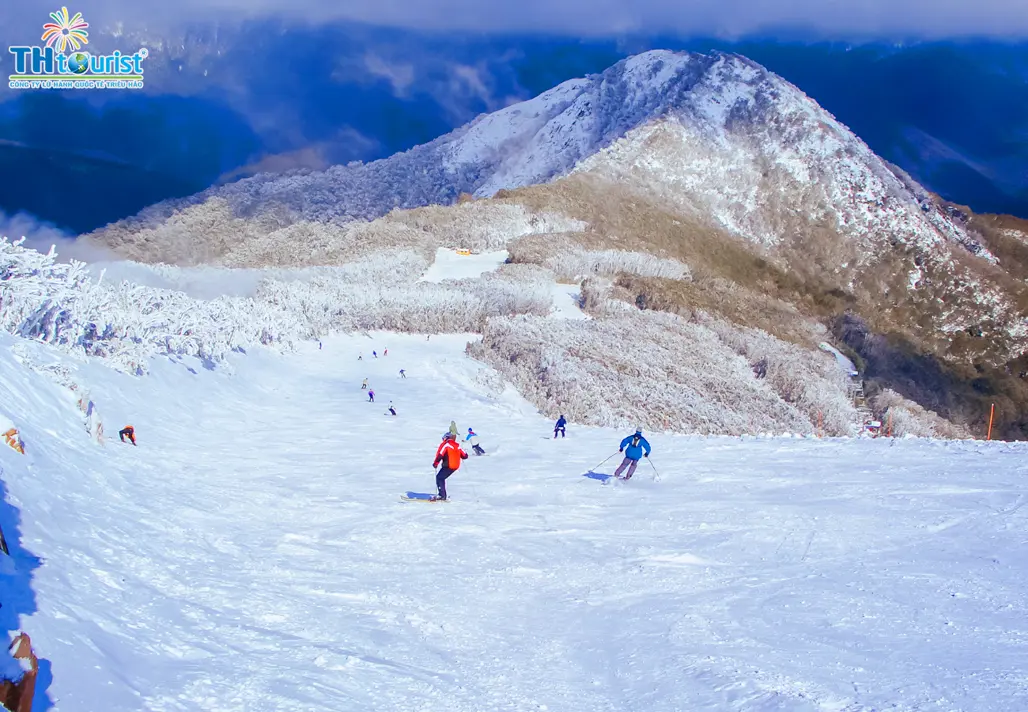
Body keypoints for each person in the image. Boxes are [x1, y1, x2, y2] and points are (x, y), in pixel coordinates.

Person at [432, 433, 468, 501]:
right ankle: (442, 495)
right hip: (455, 466)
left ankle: (442, 496)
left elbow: (440, 454)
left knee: (439, 478)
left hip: (448, 465)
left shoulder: (446, 444)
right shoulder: (458, 446)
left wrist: (435, 463)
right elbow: (465, 456)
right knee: (441, 478)